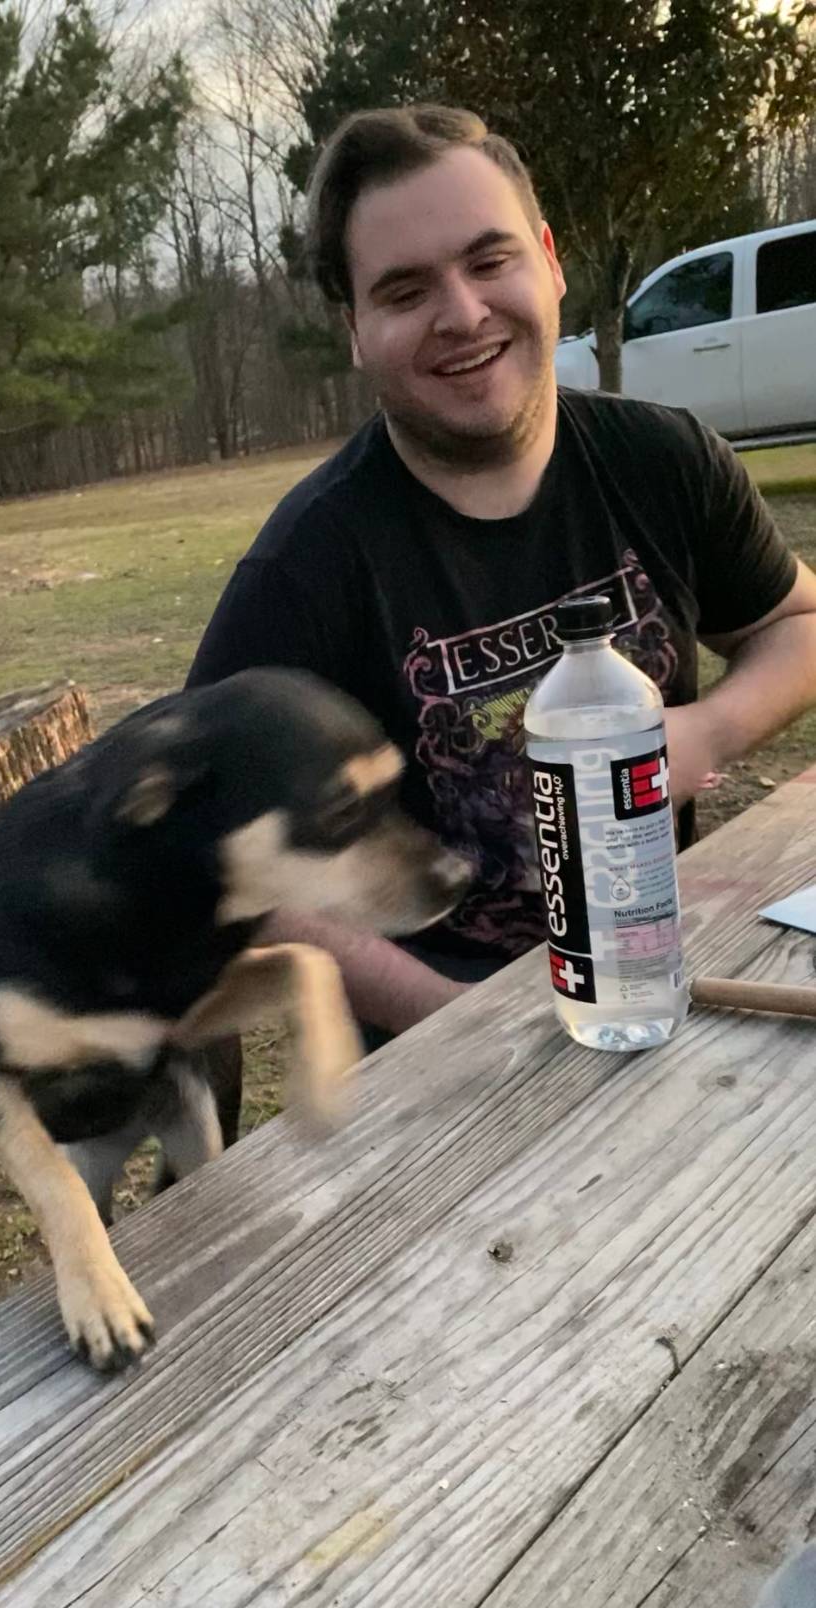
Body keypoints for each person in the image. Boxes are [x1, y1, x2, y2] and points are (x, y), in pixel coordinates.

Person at [186, 103, 816, 1044]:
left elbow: (796, 624)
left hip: (656, 972)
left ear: (549, 260)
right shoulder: (306, 568)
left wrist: (710, 727)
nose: (464, 314)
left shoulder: (665, 460)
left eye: (490, 261)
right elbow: (207, 859)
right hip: (447, 1052)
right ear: (354, 328)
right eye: (404, 293)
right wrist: (457, 1022)